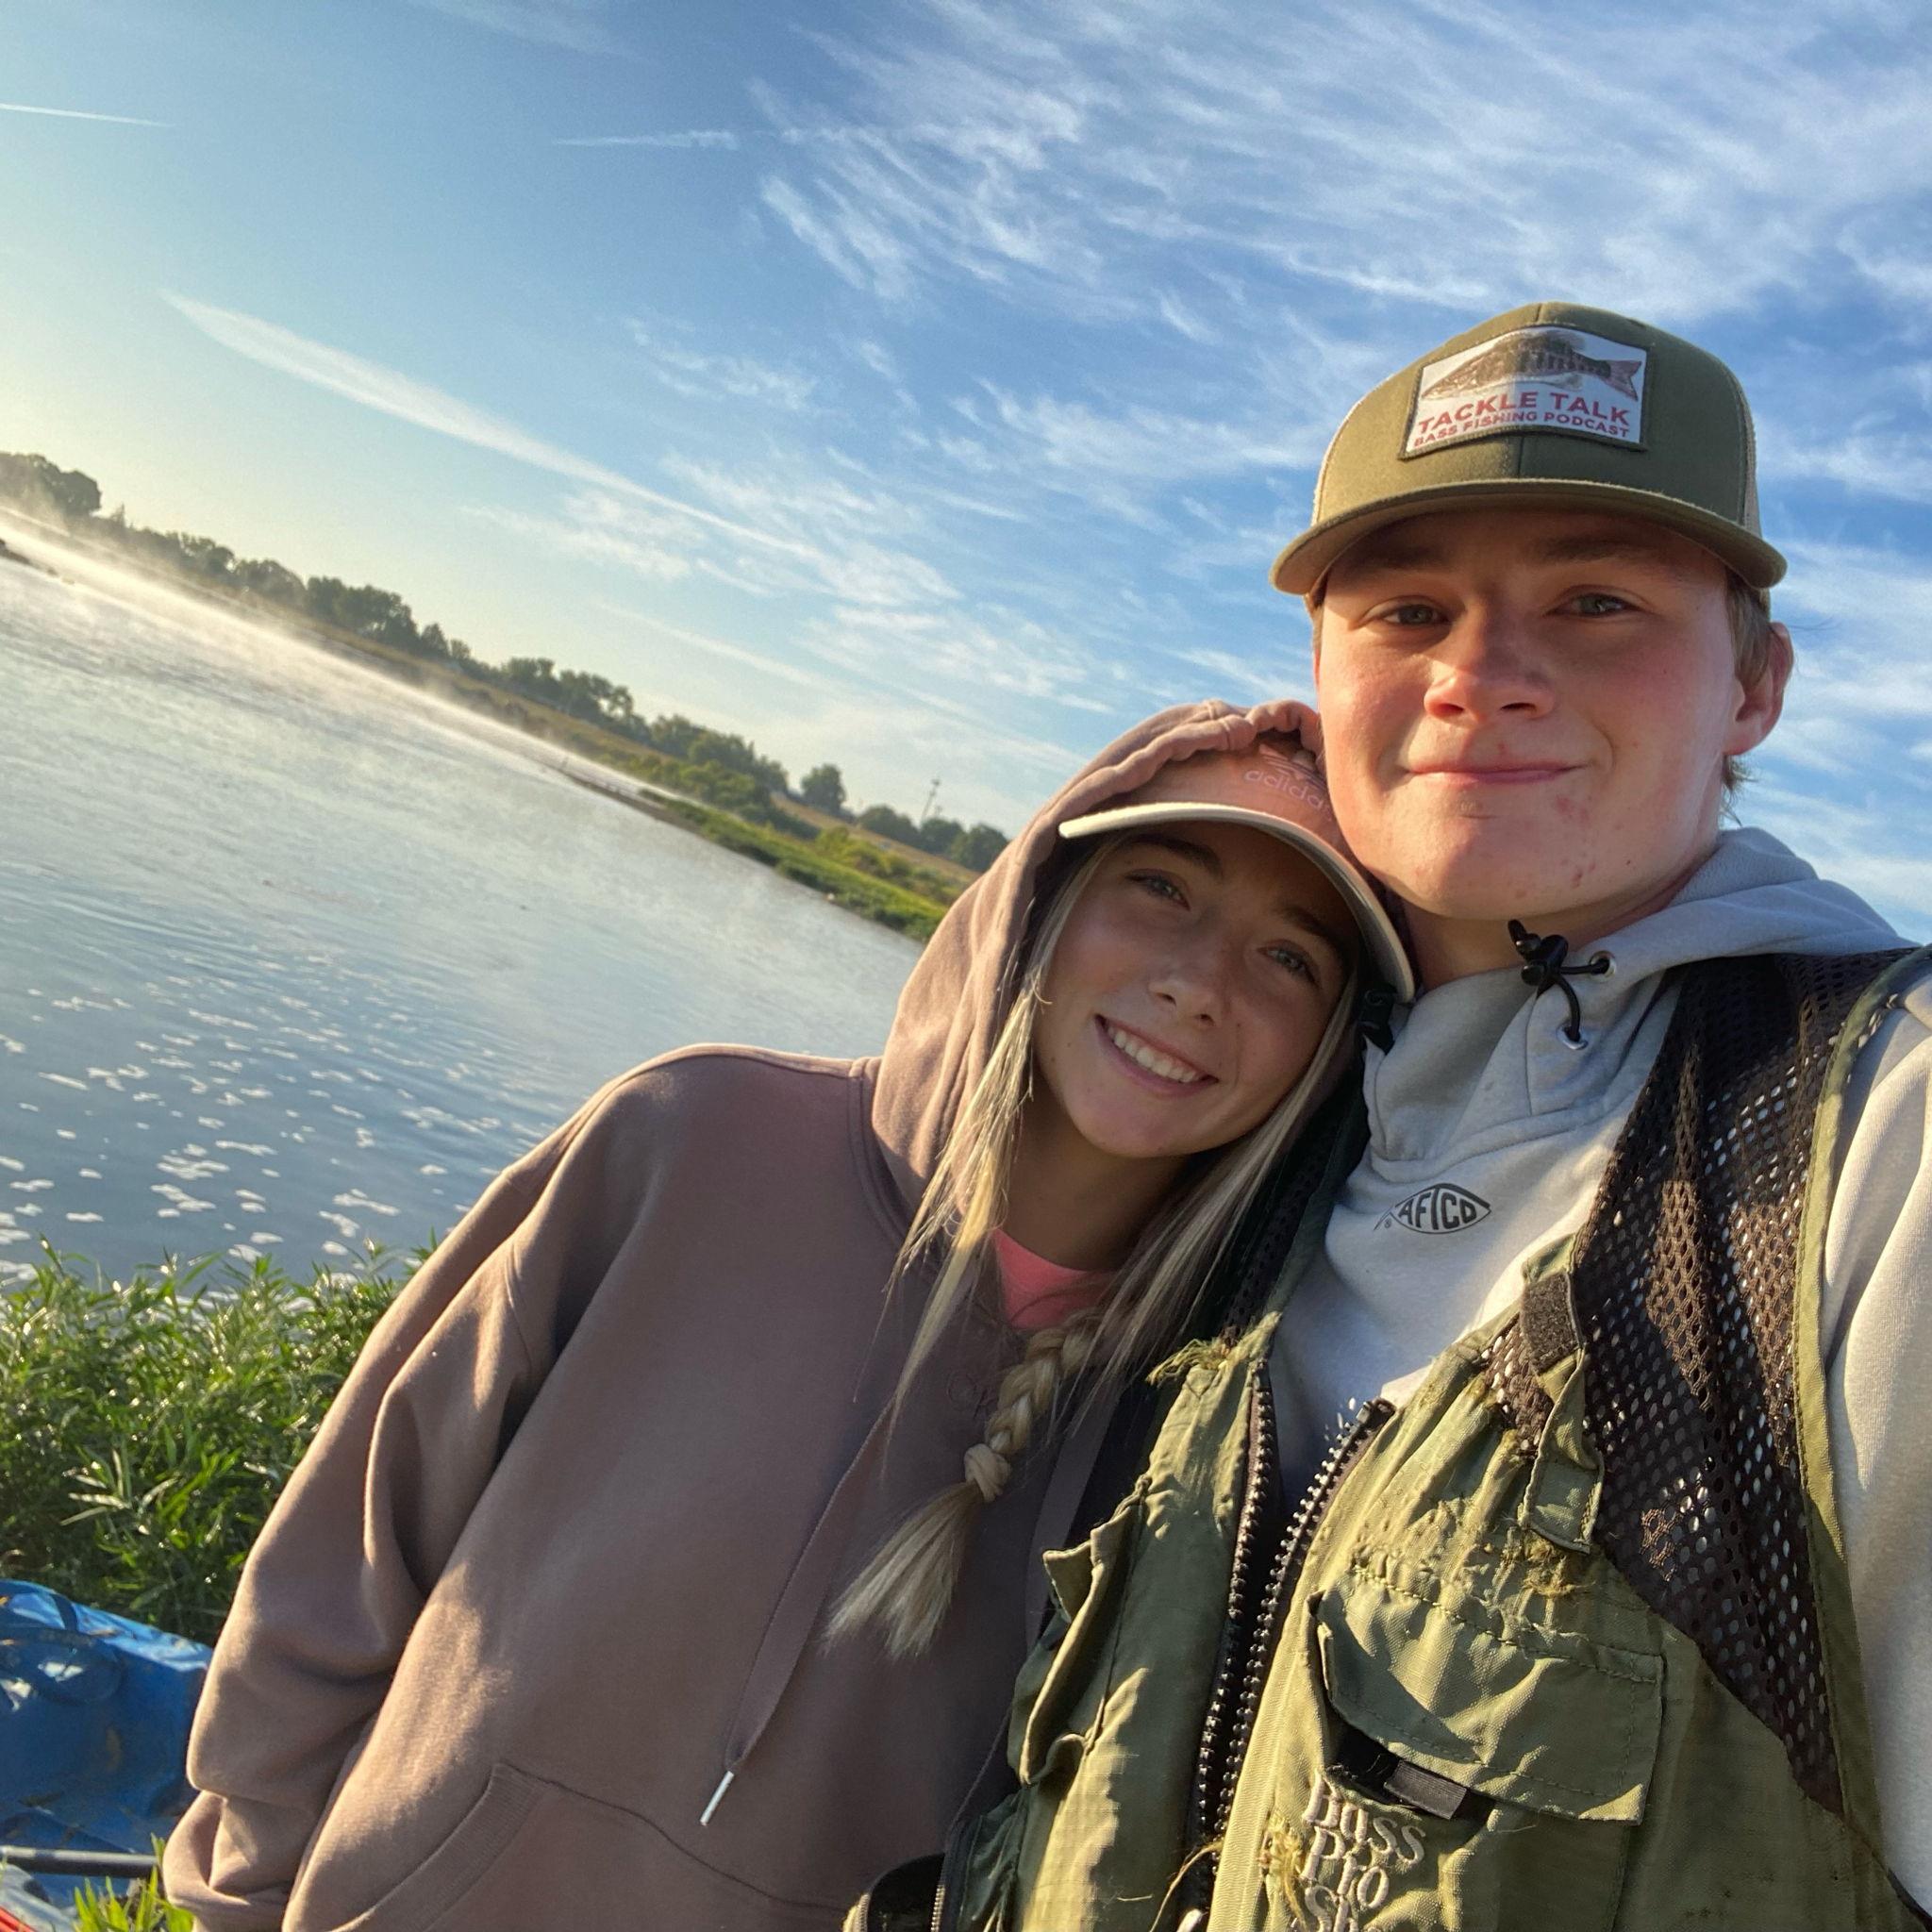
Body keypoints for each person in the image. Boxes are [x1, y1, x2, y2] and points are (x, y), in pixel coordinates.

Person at [855, 304, 1932, 1930]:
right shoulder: (1267, 1111)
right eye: (1410, 610)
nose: (1481, 677)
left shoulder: (1875, 1141)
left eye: (1597, 601)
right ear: (1320, 677)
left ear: (1755, 687)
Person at [159, 697, 1411, 1932]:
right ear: (1045, 896)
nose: (1199, 984)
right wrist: (244, 1895)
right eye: (1162, 887)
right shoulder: (689, 1141)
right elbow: (353, 1543)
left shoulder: (1210, 1419)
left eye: (1290, 959)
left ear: (1329, 1050)